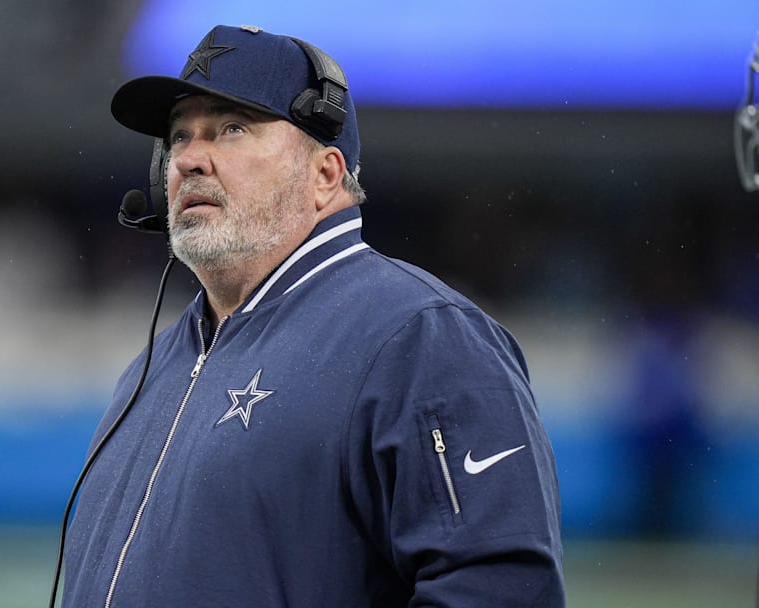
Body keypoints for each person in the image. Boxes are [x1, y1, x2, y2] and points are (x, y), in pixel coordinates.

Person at [62, 24, 565, 607]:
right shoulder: (156, 364)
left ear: (325, 174)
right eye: (178, 136)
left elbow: (500, 589)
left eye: (231, 128)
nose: (190, 160)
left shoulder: (422, 336)